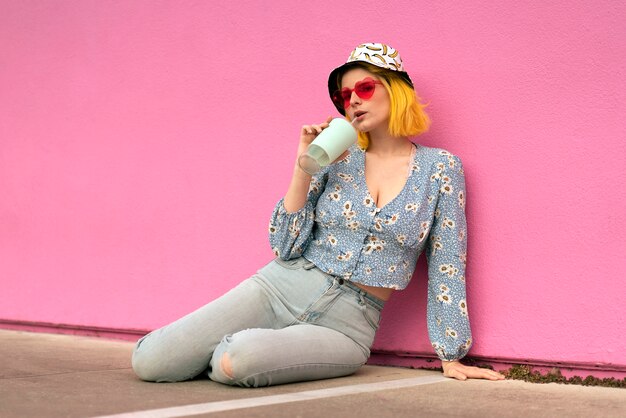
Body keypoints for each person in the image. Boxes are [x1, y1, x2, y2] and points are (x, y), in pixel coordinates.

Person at [131, 43, 505, 387]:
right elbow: (284, 244)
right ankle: (203, 352)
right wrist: (303, 166)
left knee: (237, 359)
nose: (353, 101)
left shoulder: (441, 169)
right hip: (280, 287)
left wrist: (450, 354)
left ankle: (224, 353)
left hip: (349, 326)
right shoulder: (335, 155)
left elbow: (448, 263)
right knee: (151, 362)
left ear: (396, 89)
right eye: (344, 96)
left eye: (365, 88)